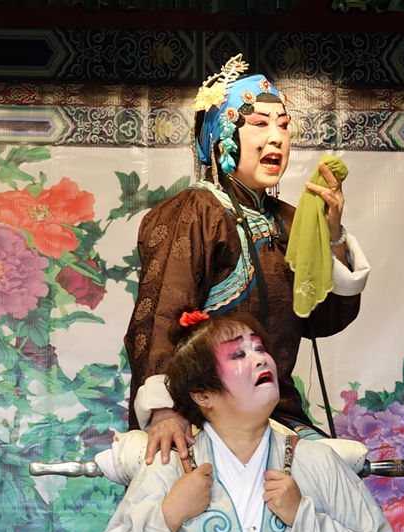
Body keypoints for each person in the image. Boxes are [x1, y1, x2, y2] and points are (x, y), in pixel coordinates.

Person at [125, 54, 371, 466]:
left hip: (274, 410)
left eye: (283, 125)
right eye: (259, 123)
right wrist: (164, 410)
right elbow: (159, 313)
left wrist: (332, 236)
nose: (277, 138)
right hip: (201, 406)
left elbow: (322, 319)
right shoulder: (195, 212)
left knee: (332, 472)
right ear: (222, 136)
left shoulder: (291, 221)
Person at [83, 312, 395, 532]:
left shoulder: (318, 461)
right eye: (238, 354)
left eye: (259, 349)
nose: (260, 359)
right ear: (203, 394)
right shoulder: (169, 467)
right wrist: (169, 516)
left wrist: (304, 517)